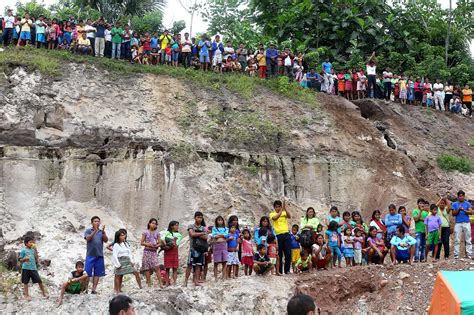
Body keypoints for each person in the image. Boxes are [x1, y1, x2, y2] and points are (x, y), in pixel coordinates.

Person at [112, 229, 142, 294]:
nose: (123, 236)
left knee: (136, 272)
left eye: (124, 235)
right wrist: (117, 264)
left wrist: (131, 260)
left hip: (127, 261)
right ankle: (117, 291)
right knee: (118, 275)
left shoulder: (126, 244)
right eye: (121, 235)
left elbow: (129, 253)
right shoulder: (116, 245)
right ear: (118, 237)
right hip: (120, 261)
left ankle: (140, 287)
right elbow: (114, 255)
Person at [19, 236, 48, 300]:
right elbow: (20, 259)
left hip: (33, 268)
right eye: (30, 242)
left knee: (39, 281)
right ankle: (26, 295)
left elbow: (36, 257)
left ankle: (43, 293)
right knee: (25, 282)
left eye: (32, 242)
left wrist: (36, 249)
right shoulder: (23, 250)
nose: (32, 243)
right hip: (25, 268)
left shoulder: (33, 250)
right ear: (26, 243)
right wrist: (24, 259)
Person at [184, 211, 208, 287]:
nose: (200, 219)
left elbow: (206, 237)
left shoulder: (203, 228)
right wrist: (201, 233)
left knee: (198, 266)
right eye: (198, 217)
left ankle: (196, 281)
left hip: (200, 249)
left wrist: (197, 234)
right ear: (195, 218)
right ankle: (185, 281)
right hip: (193, 249)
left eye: (201, 217)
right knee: (189, 265)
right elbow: (192, 234)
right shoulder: (191, 226)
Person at [270, 199, 292, 274]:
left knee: (288, 253)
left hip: (286, 234)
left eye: (279, 206)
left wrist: (285, 208)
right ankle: (279, 271)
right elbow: (275, 218)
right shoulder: (272, 214)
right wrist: (281, 211)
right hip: (278, 235)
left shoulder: (284, 212)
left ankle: (287, 270)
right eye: (276, 207)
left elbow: (289, 216)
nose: (278, 208)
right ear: (274, 207)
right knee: (279, 254)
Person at [140, 218, 162, 287]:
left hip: (154, 252)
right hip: (147, 251)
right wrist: (148, 244)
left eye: (155, 224)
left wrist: (156, 245)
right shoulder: (145, 232)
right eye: (152, 223)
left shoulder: (157, 233)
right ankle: (149, 284)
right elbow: (142, 242)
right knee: (147, 268)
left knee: (157, 267)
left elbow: (160, 243)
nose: (154, 225)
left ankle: (160, 284)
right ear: (149, 224)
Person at [452, 190, 473, 259]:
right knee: (457, 239)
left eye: (462, 196)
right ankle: (456, 254)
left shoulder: (467, 204)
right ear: (458, 197)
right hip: (458, 223)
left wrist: (464, 210)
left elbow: (471, 212)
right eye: (460, 196)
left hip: (466, 222)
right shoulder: (454, 204)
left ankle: (469, 254)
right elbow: (453, 214)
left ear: (464, 196)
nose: (461, 197)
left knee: (468, 238)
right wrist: (458, 210)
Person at [162, 220, 183, 286]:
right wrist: (168, 242)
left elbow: (176, 244)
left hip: (174, 251)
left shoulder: (179, 235)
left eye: (178, 225)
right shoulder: (167, 232)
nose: (177, 227)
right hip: (168, 251)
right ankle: (167, 282)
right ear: (171, 226)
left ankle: (174, 282)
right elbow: (162, 239)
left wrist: (169, 240)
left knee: (174, 268)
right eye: (176, 225)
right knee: (167, 268)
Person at [211, 216, 228, 280]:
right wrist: (222, 235)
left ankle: (223, 277)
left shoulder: (226, 228)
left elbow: (226, 235)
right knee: (216, 262)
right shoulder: (214, 228)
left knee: (224, 262)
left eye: (221, 220)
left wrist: (218, 235)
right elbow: (213, 235)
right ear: (216, 221)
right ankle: (216, 278)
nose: (220, 221)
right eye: (218, 220)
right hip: (216, 246)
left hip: (224, 246)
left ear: (223, 221)